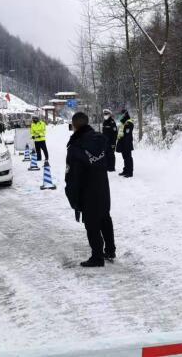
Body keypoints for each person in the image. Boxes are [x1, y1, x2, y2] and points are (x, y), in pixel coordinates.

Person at [65, 112, 116, 267]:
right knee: (105, 217)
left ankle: (97, 257)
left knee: (91, 222)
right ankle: (110, 250)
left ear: (74, 126)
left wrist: (72, 194)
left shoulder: (75, 147)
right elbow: (110, 162)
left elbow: (72, 175)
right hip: (102, 185)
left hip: (86, 189)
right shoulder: (101, 139)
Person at [115, 109, 134, 178]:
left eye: (121, 114)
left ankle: (130, 172)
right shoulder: (123, 122)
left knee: (128, 158)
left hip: (127, 143)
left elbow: (127, 134)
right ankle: (125, 170)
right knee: (125, 158)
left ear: (125, 114)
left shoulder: (129, 122)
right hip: (123, 143)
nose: (120, 116)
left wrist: (125, 143)